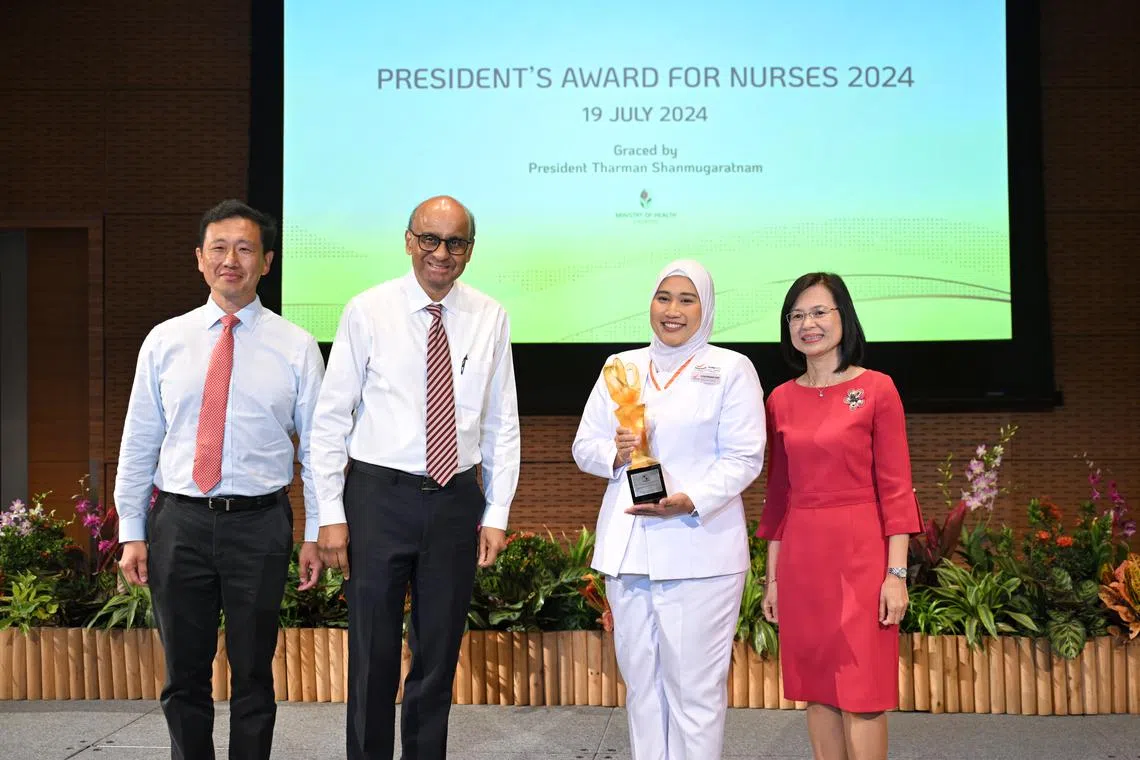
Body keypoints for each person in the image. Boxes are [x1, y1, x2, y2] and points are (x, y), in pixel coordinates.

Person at [114, 199, 325, 760]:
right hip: (178, 521)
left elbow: (321, 449)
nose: (231, 259)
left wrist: (317, 531)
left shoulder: (297, 346)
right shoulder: (164, 341)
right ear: (200, 260)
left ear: (267, 262)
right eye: (219, 248)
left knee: (254, 673)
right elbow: (138, 441)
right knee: (184, 676)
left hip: (259, 523)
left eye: (245, 248)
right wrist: (132, 530)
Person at [311, 195, 520, 760]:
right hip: (379, 497)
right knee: (373, 654)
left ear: (470, 251)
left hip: (455, 501)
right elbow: (330, 419)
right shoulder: (367, 311)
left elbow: (503, 422)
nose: (441, 253)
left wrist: (496, 514)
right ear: (409, 241)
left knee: (438, 655)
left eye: (455, 243)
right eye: (430, 239)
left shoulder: (490, 316)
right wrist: (329, 514)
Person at [572, 259, 766, 760]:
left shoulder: (730, 369)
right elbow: (582, 447)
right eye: (664, 298)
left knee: (694, 692)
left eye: (687, 299)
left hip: (699, 548)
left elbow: (745, 457)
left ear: (706, 308)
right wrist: (614, 452)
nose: (673, 310)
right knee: (642, 688)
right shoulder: (622, 367)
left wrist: (690, 499)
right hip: (629, 552)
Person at [756, 272, 924, 760]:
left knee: (864, 693)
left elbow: (896, 491)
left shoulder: (877, 390)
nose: (808, 324)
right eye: (797, 315)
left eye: (818, 312)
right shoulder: (780, 399)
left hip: (862, 555)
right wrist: (773, 579)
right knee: (817, 688)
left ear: (843, 318)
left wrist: (896, 574)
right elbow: (778, 496)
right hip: (802, 559)